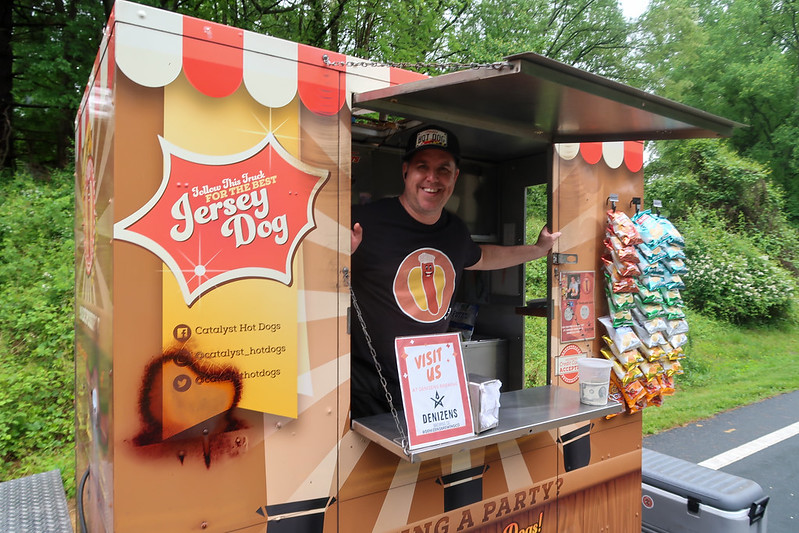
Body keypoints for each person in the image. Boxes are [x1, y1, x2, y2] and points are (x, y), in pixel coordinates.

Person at [350, 125, 560, 419]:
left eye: (443, 169)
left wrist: (537, 250)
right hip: (369, 388)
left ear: (455, 177)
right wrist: (335, 254)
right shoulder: (363, 221)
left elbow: (483, 256)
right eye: (422, 167)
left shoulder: (454, 231)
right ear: (406, 171)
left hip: (428, 384)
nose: (432, 178)